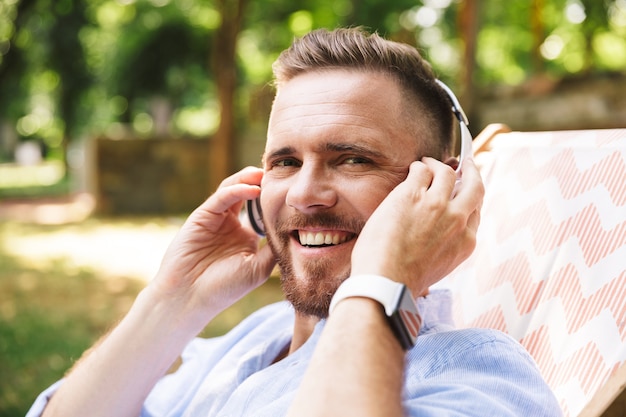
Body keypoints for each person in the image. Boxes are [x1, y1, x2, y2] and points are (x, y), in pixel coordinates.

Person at [28, 27, 562, 417]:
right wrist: (175, 300)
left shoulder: (479, 375)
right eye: (284, 162)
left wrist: (383, 283)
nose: (304, 194)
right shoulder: (255, 338)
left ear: (438, 189)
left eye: (352, 158)